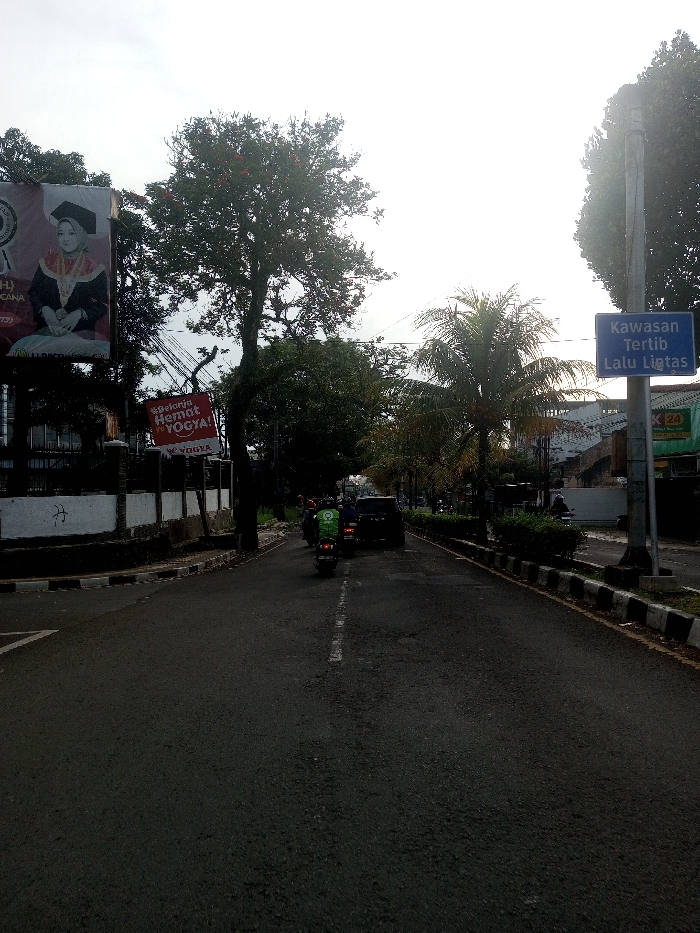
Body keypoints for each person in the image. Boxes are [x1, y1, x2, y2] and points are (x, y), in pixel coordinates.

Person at [10, 201, 110, 358]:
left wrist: (79, 314)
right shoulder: (47, 264)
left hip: (81, 337)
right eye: (61, 233)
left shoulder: (95, 269)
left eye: (71, 233)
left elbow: (103, 305)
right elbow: (34, 292)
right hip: (45, 334)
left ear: (81, 234)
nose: (65, 239)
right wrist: (44, 310)